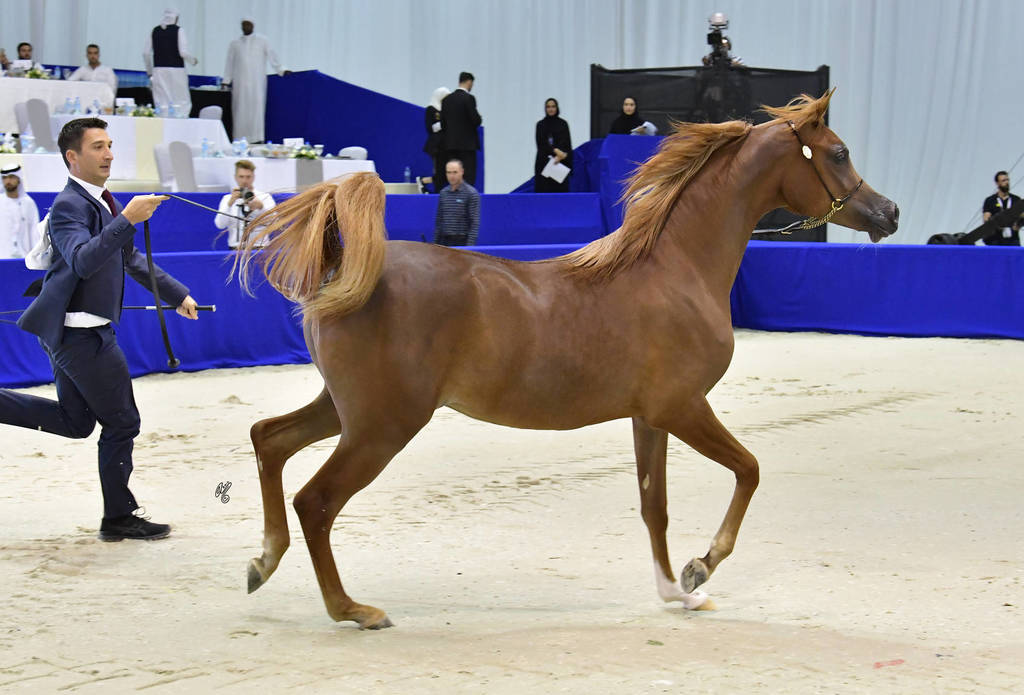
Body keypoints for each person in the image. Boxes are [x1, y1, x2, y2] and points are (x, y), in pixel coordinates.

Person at [0, 117, 200, 541]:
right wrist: (126, 218)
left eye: (109, 145)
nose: (109, 153)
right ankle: (118, 519)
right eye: (97, 147)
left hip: (73, 333)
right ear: (72, 157)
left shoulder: (102, 203)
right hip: (81, 336)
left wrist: (175, 293)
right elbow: (83, 260)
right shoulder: (70, 206)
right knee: (123, 422)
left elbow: (129, 259)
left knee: (76, 422)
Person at [223, 17, 287, 143]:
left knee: (256, 109)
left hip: (257, 82)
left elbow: (272, 56)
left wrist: (282, 69)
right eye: (243, 25)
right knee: (240, 110)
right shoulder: (235, 43)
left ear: (253, 25)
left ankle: (257, 139)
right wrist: (226, 80)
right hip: (240, 83)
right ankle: (239, 139)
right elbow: (229, 63)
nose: (245, 27)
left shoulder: (263, 40)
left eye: (248, 24)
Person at [143, 7, 198, 115]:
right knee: (181, 102)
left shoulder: (155, 30)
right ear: (176, 18)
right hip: (177, 71)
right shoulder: (179, 30)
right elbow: (183, 52)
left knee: (162, 102)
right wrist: (193, 61)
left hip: (158, 71)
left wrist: (150, 72)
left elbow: (145, 53)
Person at [214, 159, 275, 249]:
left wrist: (261, 207)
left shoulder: (264, 197)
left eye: (248, 177)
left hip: (260, 248)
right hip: (236, 249)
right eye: (241, 177)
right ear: (235, 177)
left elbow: (275, 222)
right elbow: (220, 225)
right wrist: (229, 204)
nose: (244, 181)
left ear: (253, 177)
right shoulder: (227, 199)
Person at [441, 72, 482, 187]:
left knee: (453, 175)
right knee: (468, 176)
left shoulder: (446, 100)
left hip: (451, 145)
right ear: (469, 82)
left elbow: (443, 124)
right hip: (467, 145)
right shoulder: (469, 98)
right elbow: (476, 120)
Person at [433, 159, 480, 246]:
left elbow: (474, 223)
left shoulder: (471, 193)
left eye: (455, 172)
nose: (451, 176)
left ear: (462, 172)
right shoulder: (444, 193)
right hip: (444, 241)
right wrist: (435, 244)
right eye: (449, 172)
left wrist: (469, 248)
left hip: (462, 241)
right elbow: (439, 221)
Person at [0, 165, 40, 258]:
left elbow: (34, 231)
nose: (8, 181)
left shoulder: (28, 203)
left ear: (18, 179)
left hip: (24, 255)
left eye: (11, 177)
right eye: (5, 178)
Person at [534, 98, 573, 193]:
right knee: (543, 195)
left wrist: (561, 156)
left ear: (557, 108)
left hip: (560, 164)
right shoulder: (541, 125)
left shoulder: (563, 124)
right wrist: (556, 152)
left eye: (553, 106)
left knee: (560, 196)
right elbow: (541, 143)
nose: (551, 109)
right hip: (544, 164)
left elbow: (567, 143)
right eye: (548, 107)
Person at [981, 171, 1023, 246]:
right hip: (995, 239)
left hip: (1012, 239)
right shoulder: (990, 200)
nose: (1007, 182)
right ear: (997, 183)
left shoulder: (1016, 199)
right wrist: (996, 224)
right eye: (1003, 180)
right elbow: (986, 218)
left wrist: (1018, 225)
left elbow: (1022, 216)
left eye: (1007, 180)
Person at [423, 86, 450, 193]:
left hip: (446, 145)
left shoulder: (445, 110)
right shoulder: (431, 109)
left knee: (444, 172)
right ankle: (437, 193)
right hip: (436, 146)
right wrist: (444, 123)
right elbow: (431, 128)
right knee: (439, 171)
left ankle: (424, 181)